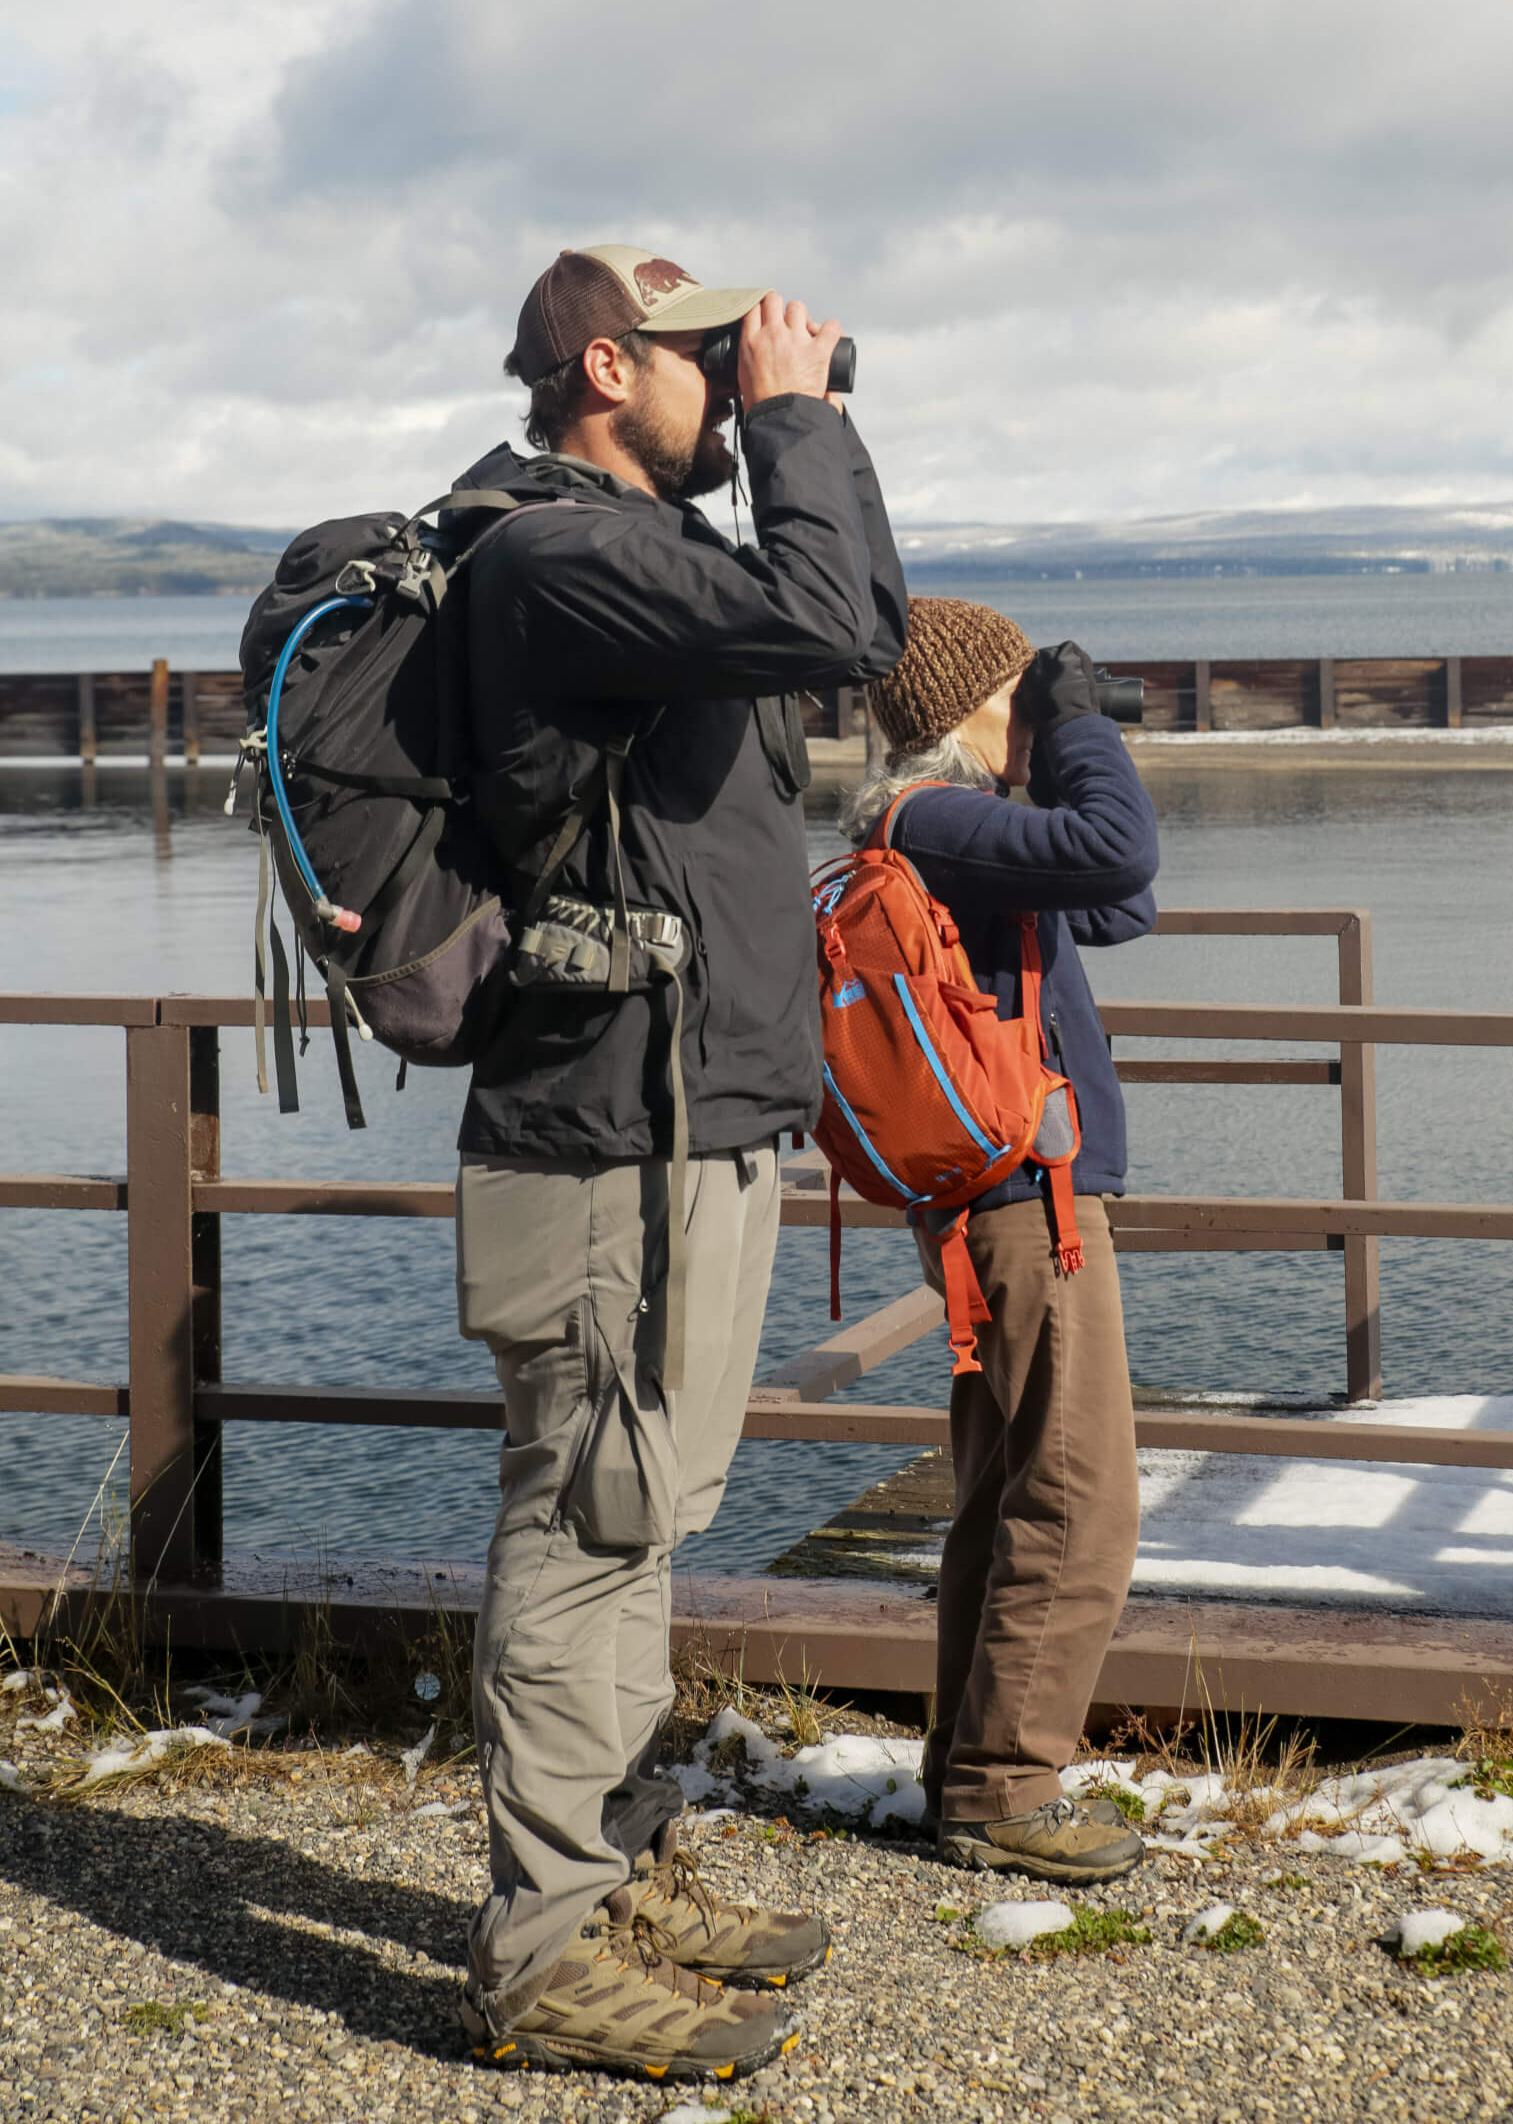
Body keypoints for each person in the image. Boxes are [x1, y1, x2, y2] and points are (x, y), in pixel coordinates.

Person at [452, 245, 906, 2083]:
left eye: (750, 359)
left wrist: (786, 426)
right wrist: (798, 415)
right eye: (708, 359)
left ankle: (611, 1870)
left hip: (690, 1116)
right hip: (602, 1140)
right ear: (605, 365)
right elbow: (842, 631)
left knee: (650, 1514)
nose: (737, 379)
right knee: (580, 1522)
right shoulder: (554, 553)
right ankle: (542, 1949)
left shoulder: (651, 559)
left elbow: (838, 622)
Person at [846, 596, 1158, 1883]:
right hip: (1031, 1212)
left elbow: (1118, 901)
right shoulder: (930, 819)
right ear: (969, 705)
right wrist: (1081, 729)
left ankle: (967, 1770)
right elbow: (1120, 851)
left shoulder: (966, 839)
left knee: (1006, 1492)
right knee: (1081, 1498)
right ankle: (1005, 1789)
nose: (1038, 707)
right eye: (1021, 689)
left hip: (1014, 1210)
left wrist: (1067, 749)